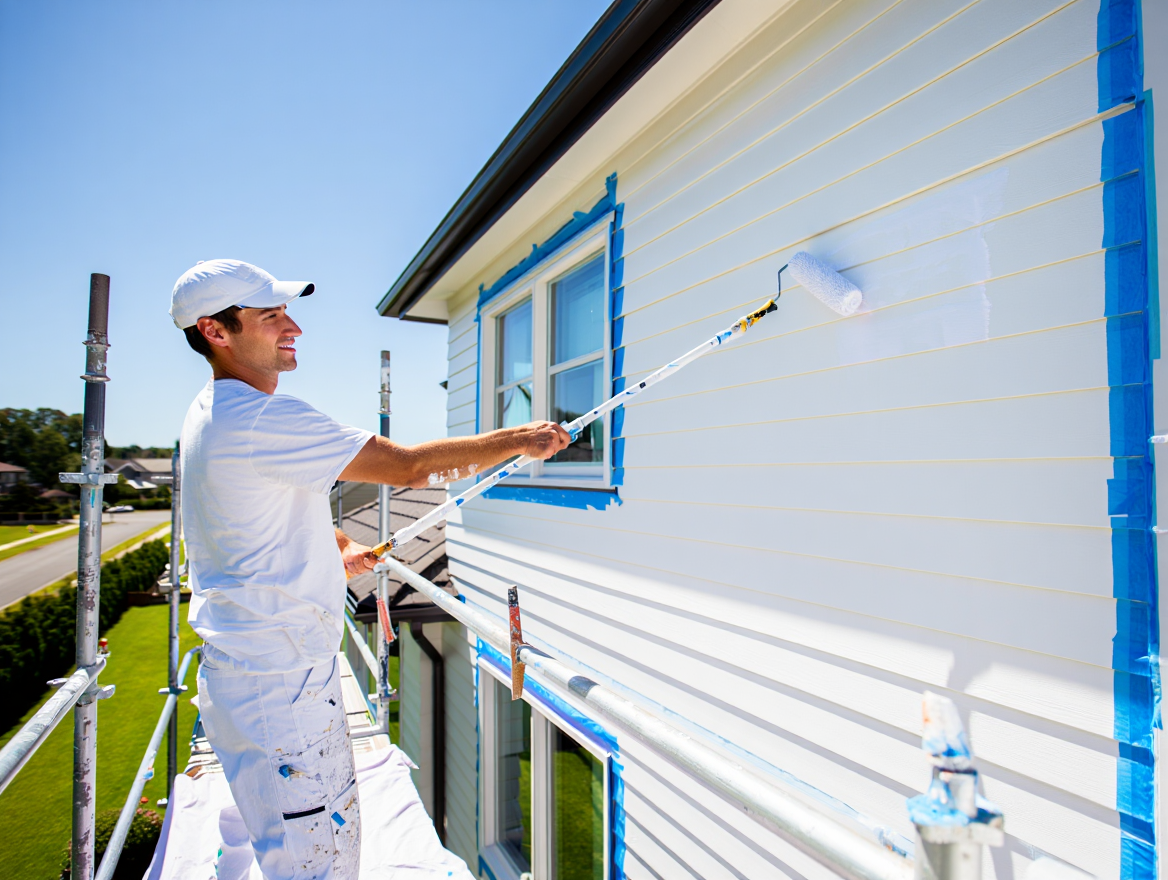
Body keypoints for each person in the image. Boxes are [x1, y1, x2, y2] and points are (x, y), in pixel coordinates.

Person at [170, 259, 570, 880]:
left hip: (244, 670)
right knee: (316, 865)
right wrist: (520, 438)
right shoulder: (260, 417)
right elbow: (407, 467)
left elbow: (271, 506)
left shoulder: (210, 411)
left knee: (264, 827)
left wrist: (337, 544)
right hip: (282, 687)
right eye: (271, 316)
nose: (292, 325)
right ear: (215, 331)